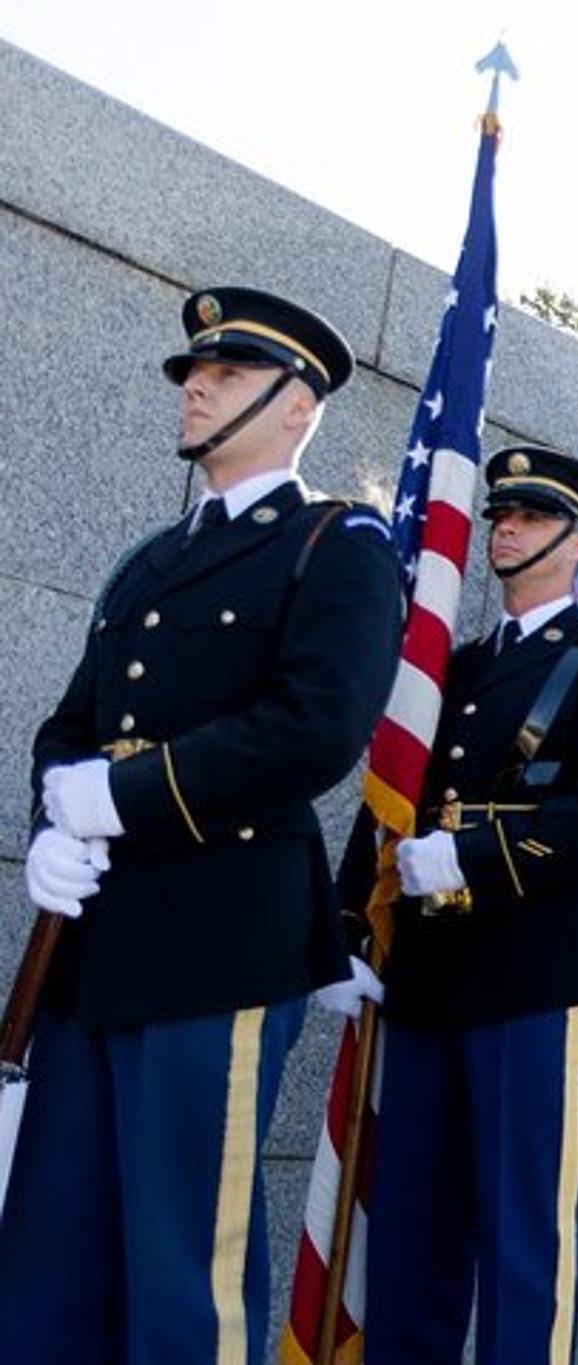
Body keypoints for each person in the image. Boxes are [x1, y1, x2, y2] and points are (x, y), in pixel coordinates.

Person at [2, 286, 404, 1360]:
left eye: (225, 375)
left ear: (295, 405)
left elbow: (315, 728)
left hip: (220, 944)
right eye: (195, 373)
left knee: (186, 1272)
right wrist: (56, 809)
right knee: (51, 1258)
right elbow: (74, 721)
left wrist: (117, 798)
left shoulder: (336, 546)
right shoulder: (149, 559)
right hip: (94, 951)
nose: (197, 391)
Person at [326, 445, 578, 1361]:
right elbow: (393, 796)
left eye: (528, 514)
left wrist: (476, 856)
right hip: (432, 974)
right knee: (413, 1233)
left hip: (536, 974)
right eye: (499, 512)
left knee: (524, 1235)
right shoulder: (456, 668)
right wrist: (352, 922)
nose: (503, 526)